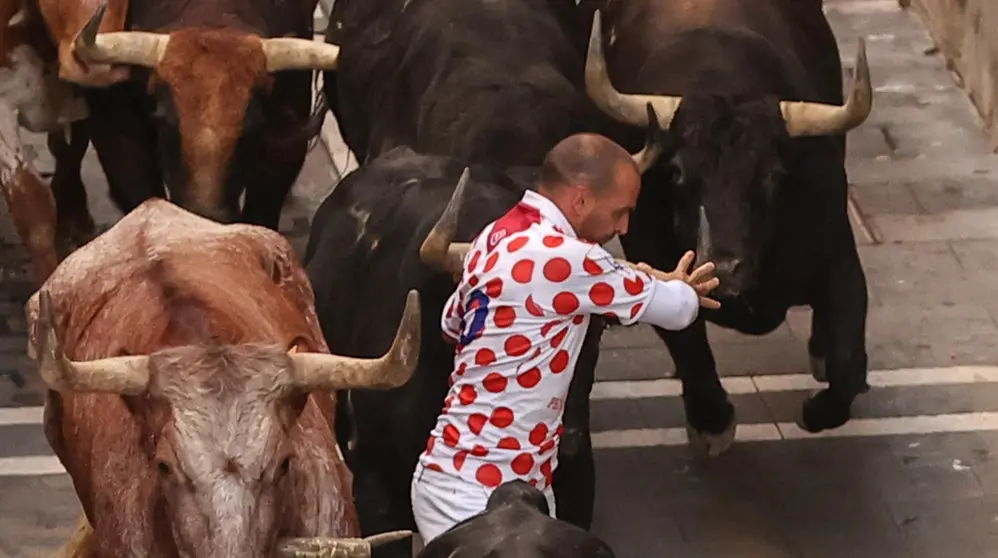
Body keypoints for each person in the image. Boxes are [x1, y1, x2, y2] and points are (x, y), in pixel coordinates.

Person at [410, 132, 720, 544]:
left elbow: (451, 324)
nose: (624, 226)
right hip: (487, 498)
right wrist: (682, 288)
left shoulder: (494, 237)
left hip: (467, 479)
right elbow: (678, 310)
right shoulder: (571, 259)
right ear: (580, 201)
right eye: (620, 212)